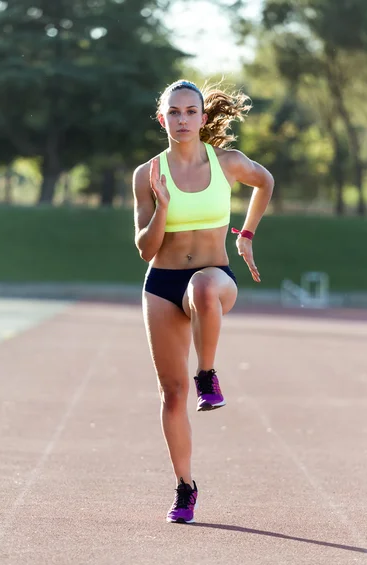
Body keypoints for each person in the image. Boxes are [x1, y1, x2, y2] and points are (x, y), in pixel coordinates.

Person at [132, 79, 274, 524]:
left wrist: (247, 234)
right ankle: (185, 487)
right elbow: (145, 249)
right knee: (172, 396)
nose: (182, 120)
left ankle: (208, 374)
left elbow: (265, 182)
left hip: (215, 276)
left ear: (204, 117)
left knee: (204, 288)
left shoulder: (228, 163)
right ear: (162, 119)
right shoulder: (147, 175)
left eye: (191, 111)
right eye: (173, 112)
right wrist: (162, 207)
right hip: (162, 284)